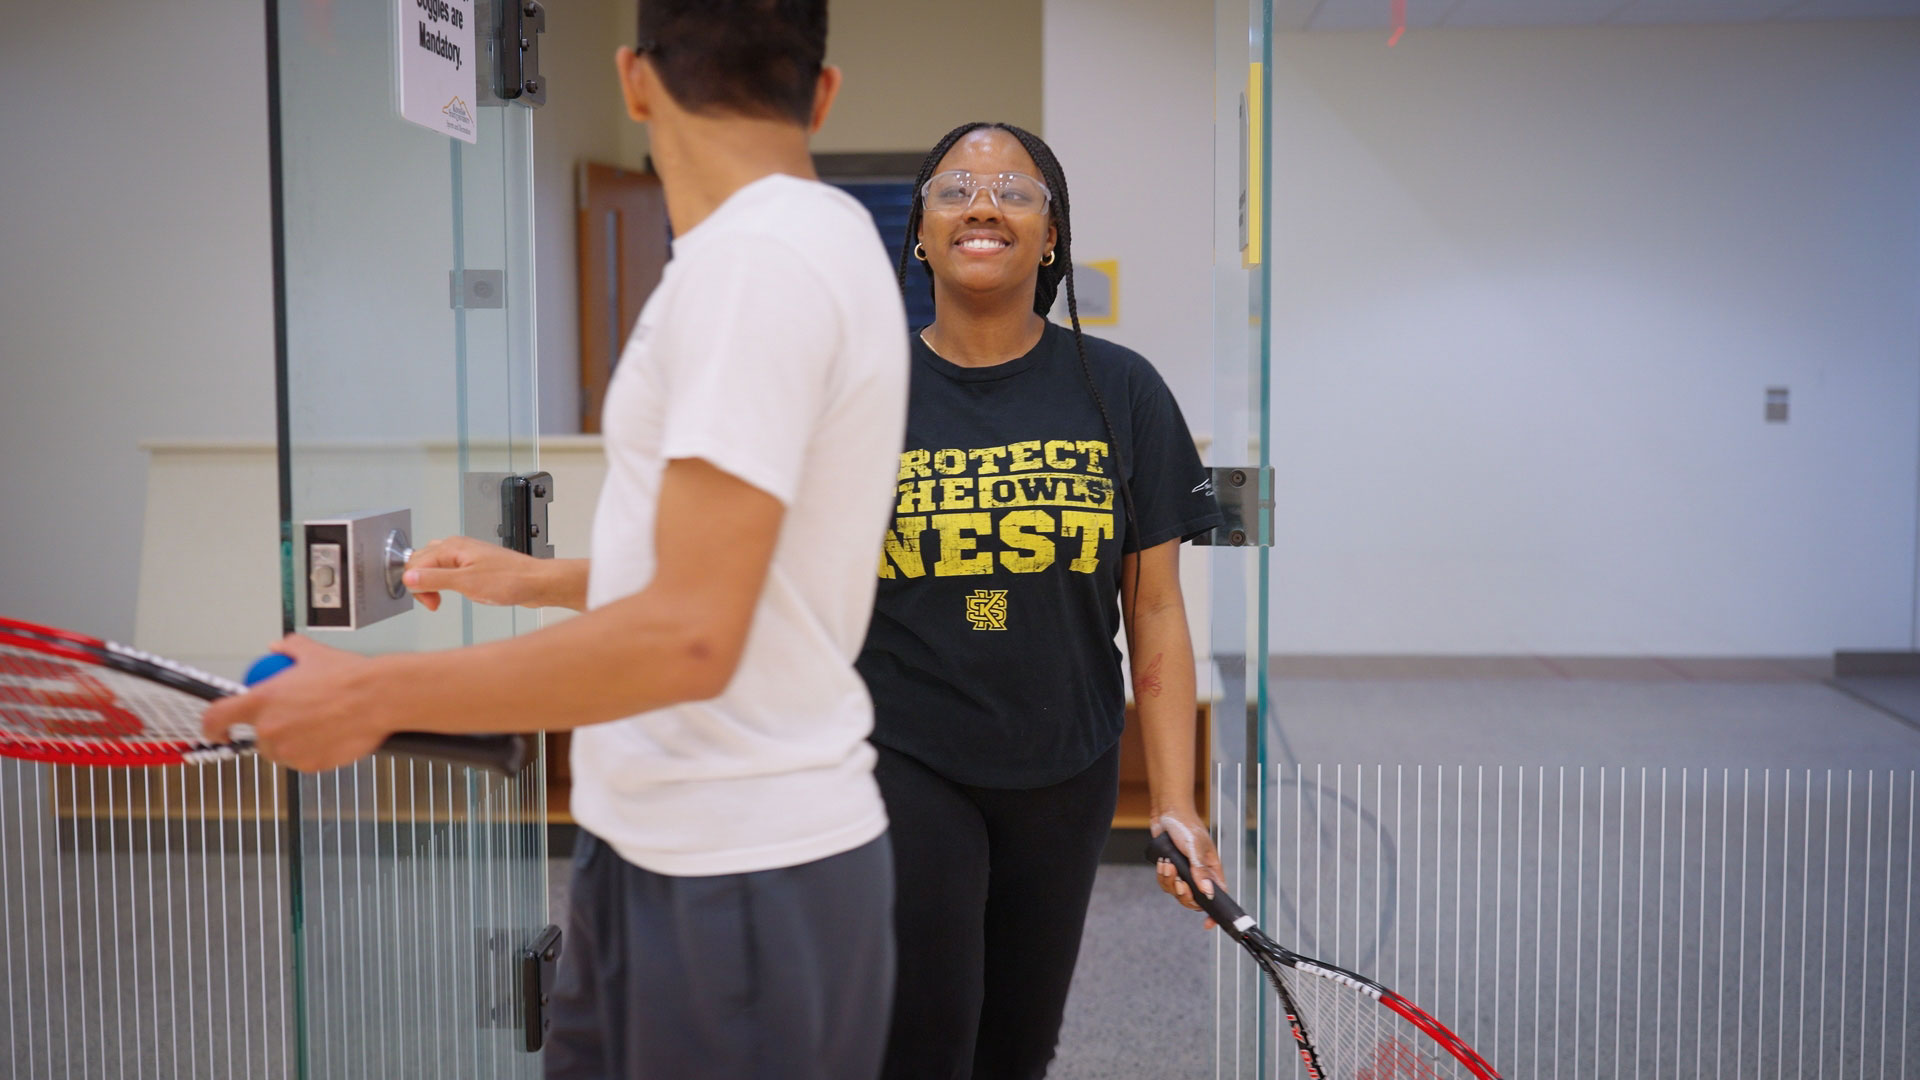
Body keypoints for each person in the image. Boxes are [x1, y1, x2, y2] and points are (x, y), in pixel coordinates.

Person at [204, 3, 908, 1077]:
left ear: (633, 80)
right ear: (822, 93)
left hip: (738, 876)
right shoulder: (817, 241)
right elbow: (738, 581)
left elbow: (688, 639)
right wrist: (535, 578)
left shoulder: (753, 269)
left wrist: (374, 695)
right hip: (659, 852)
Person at [857, 121, 1227, 1080]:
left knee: (1017, 1047)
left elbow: (1154, 609)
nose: (984, 203)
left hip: (1068, 762)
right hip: (906, 750)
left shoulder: (1122, 389)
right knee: (926, 1033)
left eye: (1015, 191)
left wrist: (1178, 802)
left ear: (1052, 235)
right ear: (924, 233)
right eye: (956, 189)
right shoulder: (862, 389)